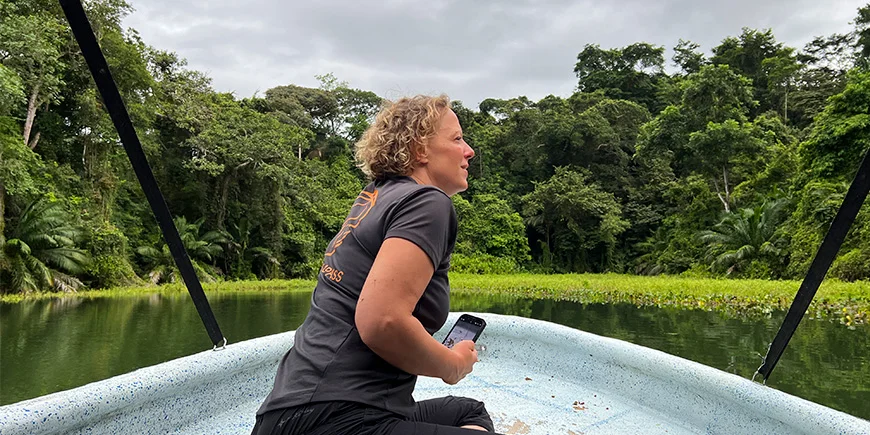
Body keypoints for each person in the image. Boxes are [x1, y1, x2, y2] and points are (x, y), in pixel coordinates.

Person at [252, 94, 501, 434]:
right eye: (457, 139)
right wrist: (452, 365)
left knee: (466, 411)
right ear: (420, 149)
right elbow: (382, 321)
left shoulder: (376, 196)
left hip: (288, 414)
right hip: (336, 419)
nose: (469, 150)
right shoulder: (428, 202)